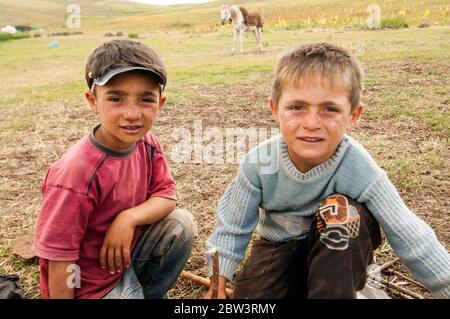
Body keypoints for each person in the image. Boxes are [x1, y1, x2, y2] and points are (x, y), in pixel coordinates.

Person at [204, 42, 450, 299]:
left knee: (341, 214)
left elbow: (408, 233)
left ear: (353, 115)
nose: (311, 123)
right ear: (275, 109)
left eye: (329, 109)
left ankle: (346, 290)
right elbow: (232, 226)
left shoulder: (359, 167)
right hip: (278, 247)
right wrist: (218, 280)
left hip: (338, 254)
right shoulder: (258, 163)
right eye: (297, 107)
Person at [32, 40, 196, 299]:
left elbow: (167, 195)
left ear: (160, 104)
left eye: (145, 99)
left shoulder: (148, 144)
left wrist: (128, 218)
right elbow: (60, 258)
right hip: (90, 288)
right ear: (93, 101)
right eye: (116, 98)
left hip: (124, 262)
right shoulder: (76, 173)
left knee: (180, 224)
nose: (132, 114)